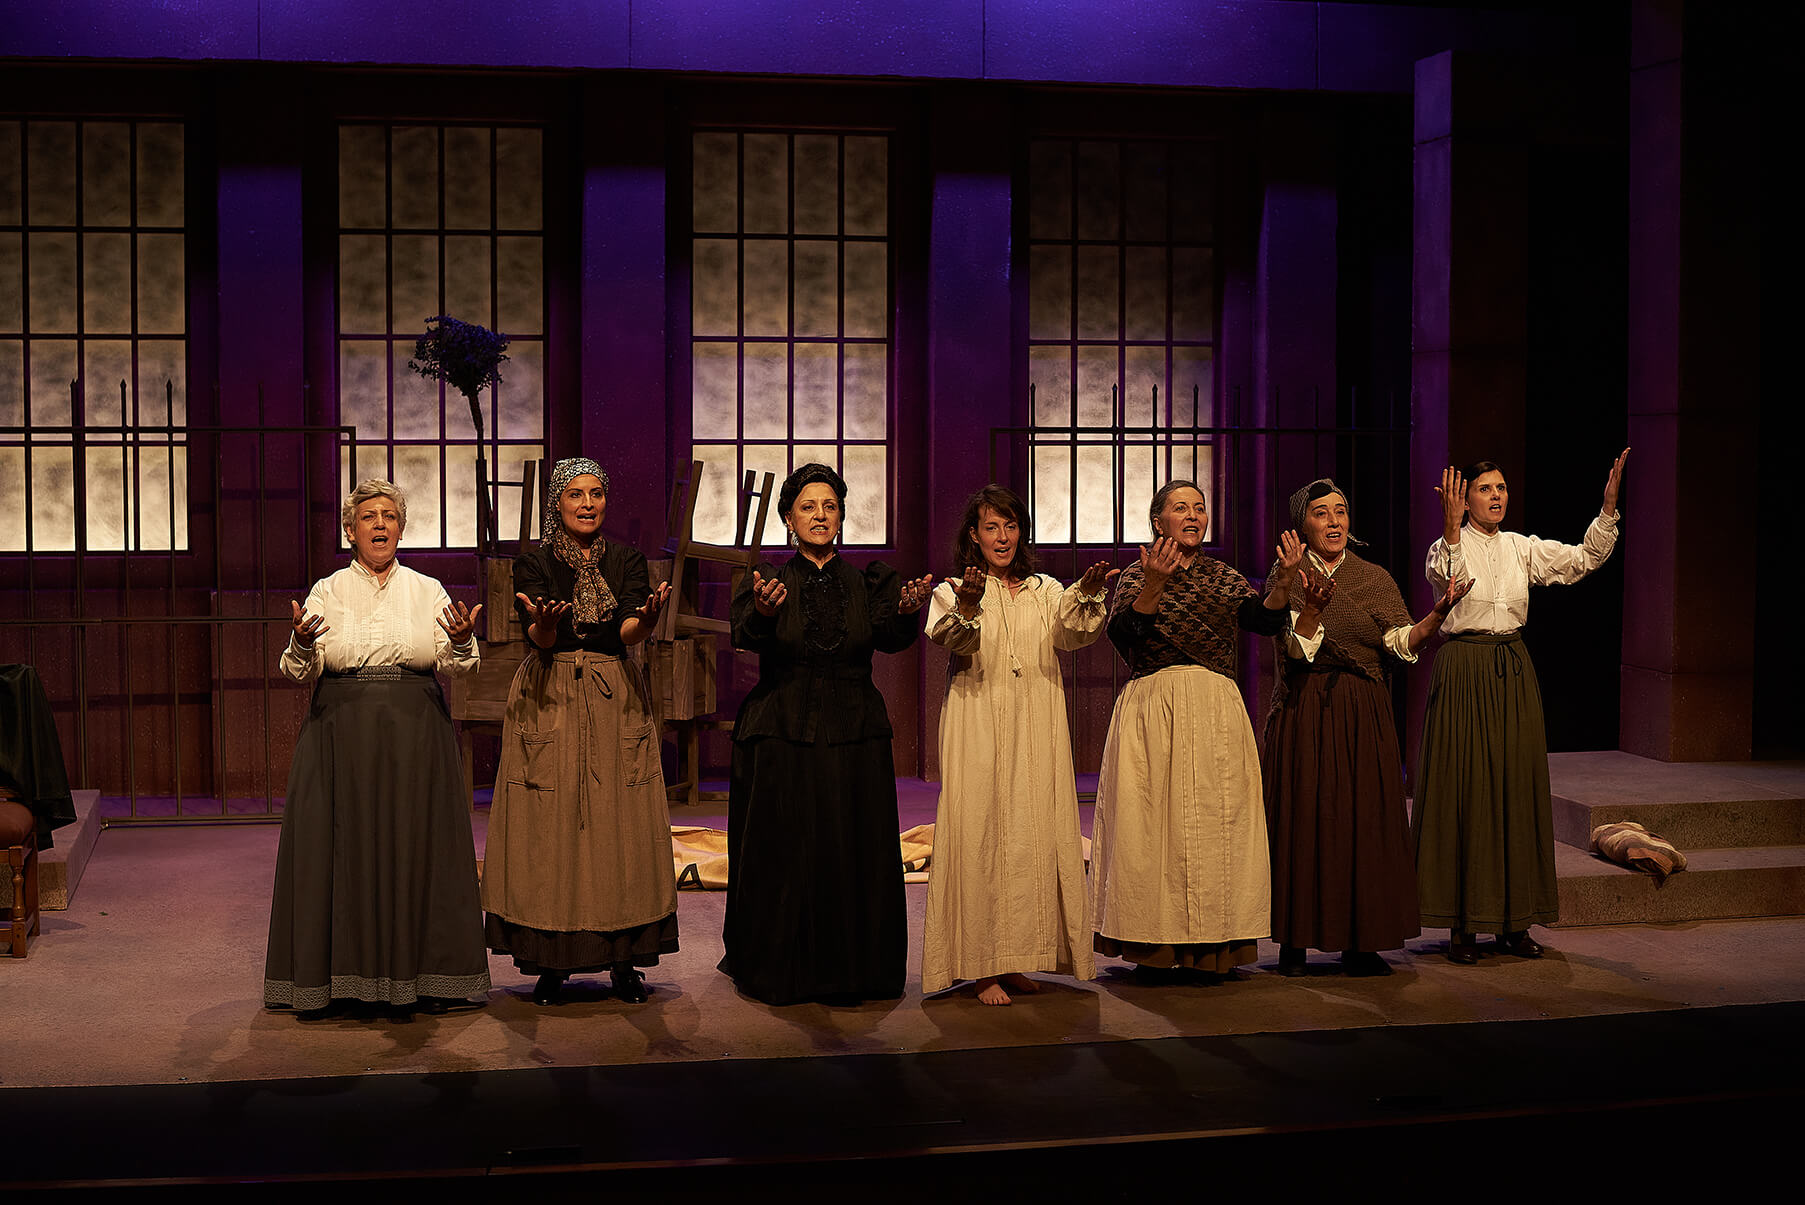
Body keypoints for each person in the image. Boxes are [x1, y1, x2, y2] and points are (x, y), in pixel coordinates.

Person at [265, 479, 489, 1017]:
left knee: (419, 848)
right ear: (351, 530)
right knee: (339, 850)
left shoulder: (427, 589)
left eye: (389, 516)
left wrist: (462, 639)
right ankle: (338, 982)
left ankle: (429, 978)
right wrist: (300, 641)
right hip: (340, 734)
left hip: (416, 735)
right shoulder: (327, 590)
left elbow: (460, 664)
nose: (380, 524)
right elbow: (298, 670)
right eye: (369, 517)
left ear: (401, 529)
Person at [720, 463, 933, 1005]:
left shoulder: (867, 582)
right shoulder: (767, 580)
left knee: (852, 847)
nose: (820, 515)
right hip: (781, 729)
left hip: (854, 729)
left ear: (841, 516)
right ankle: (781, 968)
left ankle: (854, 969)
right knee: (784, 850)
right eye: (808, 507)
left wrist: (906, 611)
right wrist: (763, 612)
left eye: (830, 506)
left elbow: (889, 639)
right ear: (789, 519)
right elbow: (745, 634)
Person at [1416, 450, 1630, 964]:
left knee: (1516, 789)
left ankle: (1515, 924)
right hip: (1465, 669)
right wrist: (1450, 530)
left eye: (1501, 488)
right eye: (1484, 489)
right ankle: (1464, 925)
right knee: (1467, 789)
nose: (1496, 496)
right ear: (1463, 500)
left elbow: (1582, 559)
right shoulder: (1443, 547)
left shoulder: (1519, 547)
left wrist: (1607, 509)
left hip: (1511, 668)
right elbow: (1446, 581)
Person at [481, 458, 675, 1005]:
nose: (588, 504)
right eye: (575, 495)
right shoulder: (535, 562)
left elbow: (627, 629)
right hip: (552, 694)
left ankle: (623, 962)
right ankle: (550, 963)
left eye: (596, 494)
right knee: (550, 827)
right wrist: (544, 625)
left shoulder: (627, 560)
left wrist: (647, 621)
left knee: (620, 826)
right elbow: (540, 637)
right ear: (557, 503)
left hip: (614, 695)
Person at [1261, 479, 1470, 977]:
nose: (1334, 521)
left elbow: (1400, 641)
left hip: (1363, 709)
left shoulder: (1374, 578)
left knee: (1364, 820)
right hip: (1307, 706)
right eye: (1321, 513)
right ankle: (1296, 940)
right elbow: (1295, 651)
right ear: (1302, 525)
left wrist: (1436, 615)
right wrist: (1312, 607)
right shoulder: (1287, 575)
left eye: (1341, 511)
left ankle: (1362, 941)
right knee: (1305, 820)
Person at [1092, 481, 1299, 980]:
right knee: (1151, 829)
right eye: (1180, 507)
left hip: (1213, 710)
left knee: (1216, 828)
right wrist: (1154, 586)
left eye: (1200, 508)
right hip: (1154, 706)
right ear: (1157, 521)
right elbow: (1124, 636)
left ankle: (1213, 947)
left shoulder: (1222, 577)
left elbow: (1262, 621)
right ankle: (1153, 946)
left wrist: (1285, 582)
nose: (1193, 515)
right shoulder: (1138, 574)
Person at [921, 485, 1115, 1006]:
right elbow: (952, 637)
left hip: (1035, 721)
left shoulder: (1044, 589)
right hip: (977, 720)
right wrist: (967, 605)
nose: (1003, 537)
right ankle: (982, 965)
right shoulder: (952, 590)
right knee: (980, 832)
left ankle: (1016, 958)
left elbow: (1073, 631)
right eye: (992, 527)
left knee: (1031, 833)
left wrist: (1087, 592)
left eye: (1010, 526)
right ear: (974, 535)